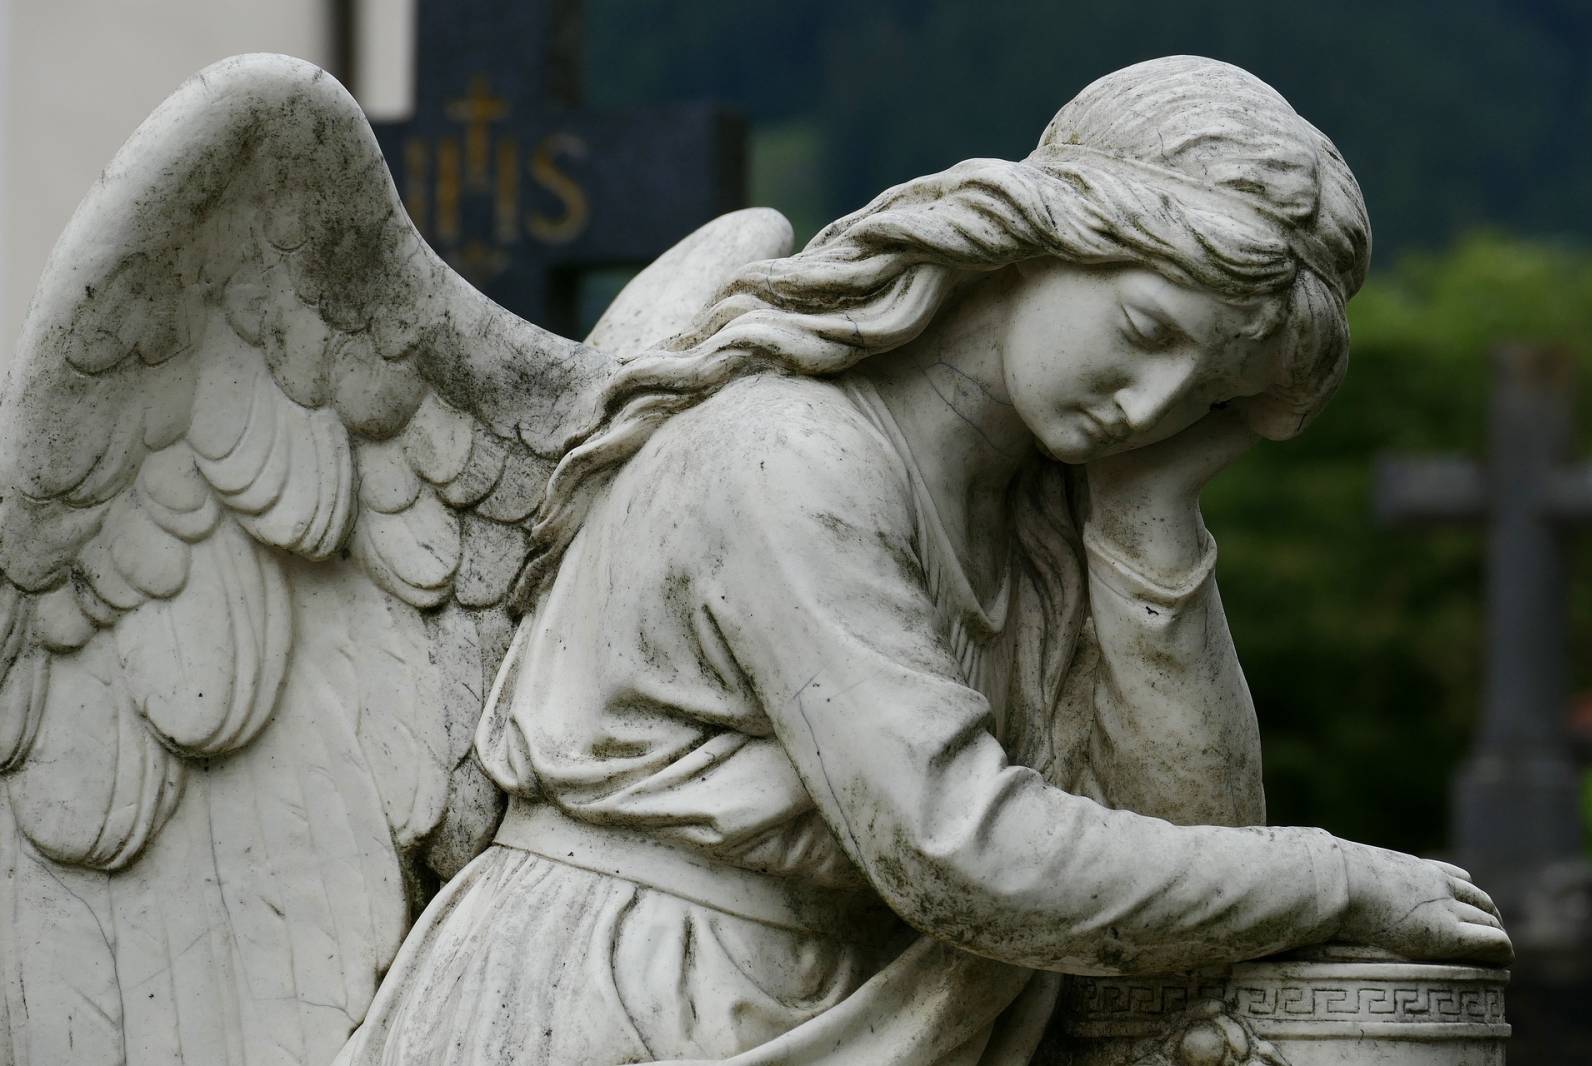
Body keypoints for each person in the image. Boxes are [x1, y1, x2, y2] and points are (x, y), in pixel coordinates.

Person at [336, 56, 1509, 1066]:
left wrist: (1147, 517)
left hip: (846, 1000)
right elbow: (961, 849)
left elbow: (1195, 839)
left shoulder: (1037, 510)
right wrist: (1335, 878)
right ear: (1044, 234)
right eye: (1147, 331)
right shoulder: (785, 454)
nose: (1145, 405)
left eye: (1205, 396)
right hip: (636, 1004)